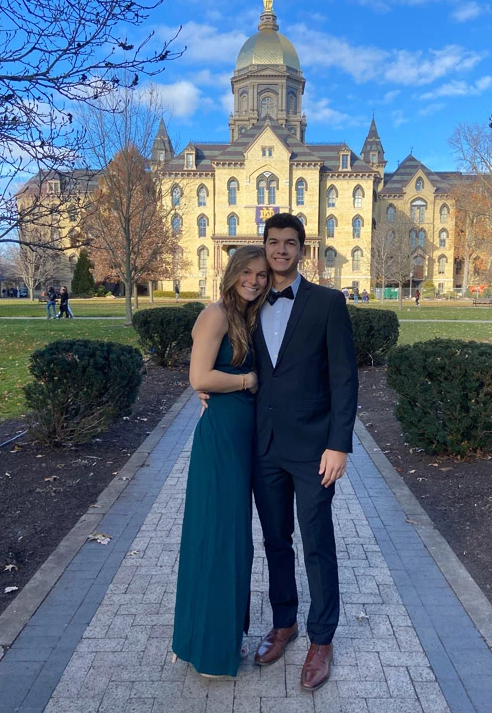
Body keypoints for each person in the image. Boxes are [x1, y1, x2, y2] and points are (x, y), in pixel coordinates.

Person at [251, 214, 358, 691]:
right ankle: (285, 622)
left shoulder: (329, 303)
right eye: (273, 243)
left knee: (317, 543)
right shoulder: (249, 302)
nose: (280, 251)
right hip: (265, 447)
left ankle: (322, 638)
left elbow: (343, 379)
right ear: (265, 247)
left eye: (289, 243)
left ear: (302, 249)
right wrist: (205, 386)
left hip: (315, 449)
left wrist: (339, 444)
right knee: (276, 541)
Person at [172, 245, 270, 678]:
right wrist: (248, 379)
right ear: (231, 274)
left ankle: (216, 637)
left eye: (262, 275)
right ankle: (209, 649)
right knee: (218, 536)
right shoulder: (215, 314)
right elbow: (200, 377)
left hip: (245, 436)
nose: (254, 280)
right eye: (247, 273)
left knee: (236, 541)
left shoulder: (250, 317)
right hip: (221, 440)